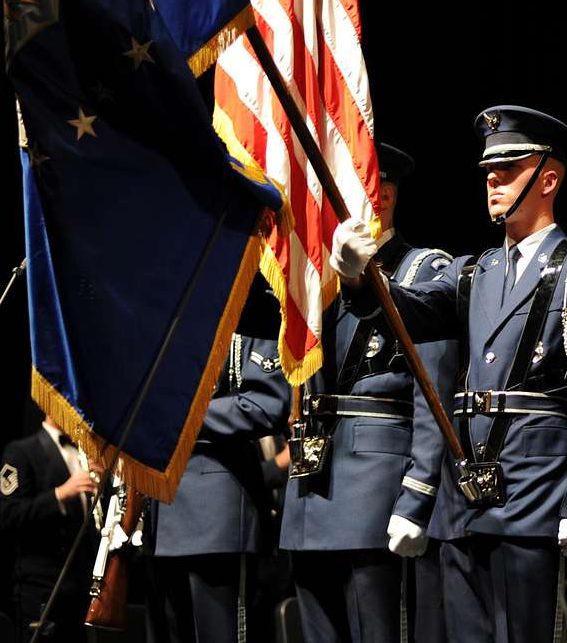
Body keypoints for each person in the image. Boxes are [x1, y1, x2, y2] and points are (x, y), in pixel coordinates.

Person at [330, 107, 567, 642]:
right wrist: (359, 278)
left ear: (549, 178)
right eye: (490, 168)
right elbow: (408, 313)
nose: (493, 178)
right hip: (463, 499)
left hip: (536, 493)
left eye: (510, 167)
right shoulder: (473, 271)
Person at [280, 143, 456, 643]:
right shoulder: (312, 277)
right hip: (310, 483)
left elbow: (432, 390)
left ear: (383, 196)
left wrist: (417, 493)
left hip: (376, 483)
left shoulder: (425, 269)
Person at [143, 328, 290, 643]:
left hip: (215, 507)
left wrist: (183, 417)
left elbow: (267, 403)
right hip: (159, 505)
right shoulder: (165, 320)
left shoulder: (247, 313)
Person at [0, 412, 99, 642]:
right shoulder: (22, 451)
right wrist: (61, 493)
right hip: (42, 586)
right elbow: (10, 515)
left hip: (81, 586)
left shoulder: (83, 454)